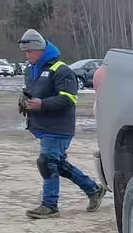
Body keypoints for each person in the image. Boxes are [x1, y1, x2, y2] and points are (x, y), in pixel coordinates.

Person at [18, 29, 106, 219]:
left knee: (47, 161)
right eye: (25, 52)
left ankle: (50, 205)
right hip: (42, 125)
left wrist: (42, 104)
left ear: (40, 50)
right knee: (58, 164)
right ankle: (93, 189)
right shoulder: (31, 69)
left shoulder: (61, 70)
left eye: (29, 51)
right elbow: (30, 90)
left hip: (59, 127)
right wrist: (24, 99)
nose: (26, 55)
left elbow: (69, 99)